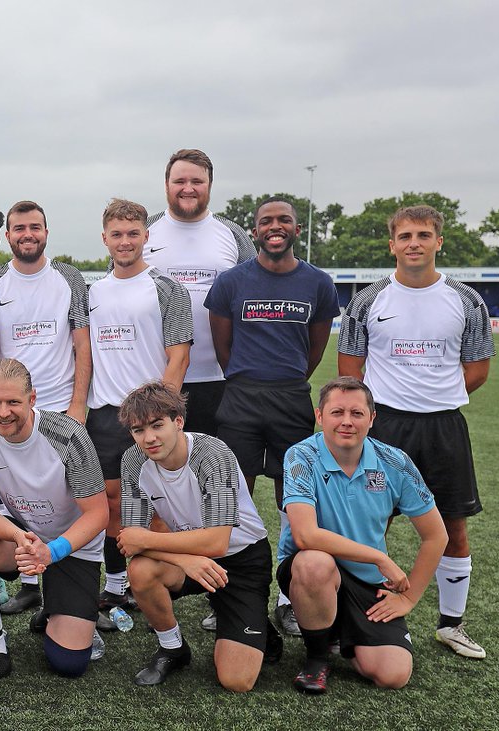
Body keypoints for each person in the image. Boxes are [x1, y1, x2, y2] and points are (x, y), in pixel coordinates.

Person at [338, 205, 494, 659]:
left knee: (453, 525)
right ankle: (362, 618)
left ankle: (451, 625)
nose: (414, 243)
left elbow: (478, 368)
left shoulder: (467, 300)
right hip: (384, 427)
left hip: (444, 425)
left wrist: (435, 396)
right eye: (405, 235)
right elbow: (351, 371)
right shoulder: (369, 299)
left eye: (424, 235)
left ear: (438, 242)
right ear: (392, 244)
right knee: (369, 525)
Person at [205, 196, 339, 636]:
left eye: (284, 220)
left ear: (297, 229)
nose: (275, 227)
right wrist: (247, 380)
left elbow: (314, 350)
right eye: (266, 221)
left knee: (293, 502)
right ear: (256, 229)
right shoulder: (231, 282)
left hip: (290, 400)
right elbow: (223, 347)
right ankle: (228, 594)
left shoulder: (318, 283)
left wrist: (286, 381)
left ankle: (286, 598)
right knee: (232, 497)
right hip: (240, 398)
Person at [278, 376, 447, 693]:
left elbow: (436, 536)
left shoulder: (394, 462)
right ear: (320, 416)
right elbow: (305, 536)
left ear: (372, 419)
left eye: (356, 414)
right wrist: (379, 556)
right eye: (337, 412)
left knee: (393, 675)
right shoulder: (301, 457)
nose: (346, 422)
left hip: (367, 581)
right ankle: (317, 657)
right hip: (314, 568)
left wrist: (409, 598)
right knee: (315, 564)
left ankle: (342, 631)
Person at [118, 381, 281, 692]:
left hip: (241, 558)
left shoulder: (211, 452)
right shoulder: (132, 461)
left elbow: (217, 541)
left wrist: (150, 542)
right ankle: (172, 648)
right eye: (138, 430)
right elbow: (130, 540)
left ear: (178, 422)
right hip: (187, 556)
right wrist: (185, 560)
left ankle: (256, 623)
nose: (149, 438)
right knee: (140, 570)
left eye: (157, 425)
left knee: (237, 681)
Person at [0, 359, 108, 692]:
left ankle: (60, 609)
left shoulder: (68, 435)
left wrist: (51, 551)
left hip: (71, 543)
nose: (3, 412)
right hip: (24, 535)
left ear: (33, 399)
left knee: (69, 663)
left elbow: (98, 515)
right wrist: (18, 536)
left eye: (14, 402)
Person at [0, 200, 91, 618]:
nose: (27, 234)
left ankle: (81, 585)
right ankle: (29, 583)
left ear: (46, 231)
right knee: (19, 498)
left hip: (60, 408)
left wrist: (77, 406)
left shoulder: (68, 277)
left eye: (35, 227)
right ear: (7, 236)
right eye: (19, 228)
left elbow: (82, 343)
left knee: (68, 502)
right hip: (10, 411)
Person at [87, 199, 192, 618]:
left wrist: (156, 415)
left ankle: (152, 581)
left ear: (146, 236)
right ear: (105, 239)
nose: (125, 241)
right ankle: (115, 584)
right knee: (112, 501)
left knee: (159, 503)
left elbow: (179, 356)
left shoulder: (167, 289)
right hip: (106, 414)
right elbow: (85, 354)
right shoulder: (92, 291)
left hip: (151, 418)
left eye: (133, 233)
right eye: (117, 234)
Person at [141, 149, 255, 437]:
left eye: (197, 181)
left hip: (219, 379)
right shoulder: (143, 231)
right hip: (153, 378)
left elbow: (252, 298)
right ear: (166, 184)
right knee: (155, 473)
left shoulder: (232, 233)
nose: (188, 188)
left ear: (210, 185)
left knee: (215, 470)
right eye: (180, 181)